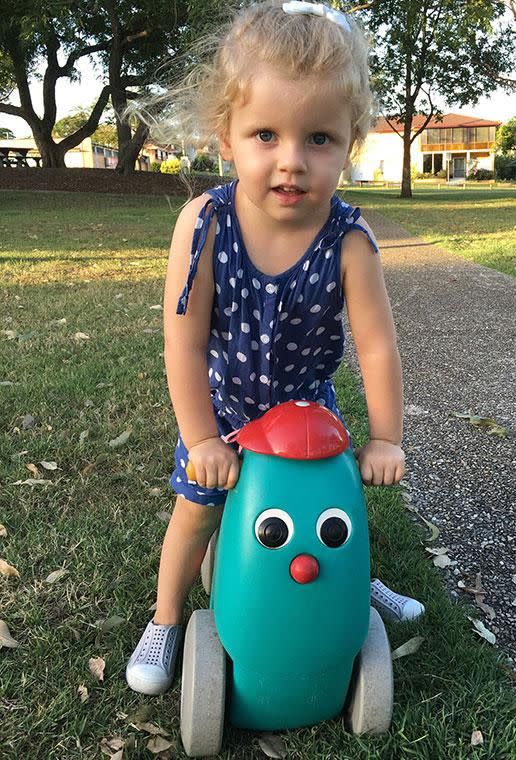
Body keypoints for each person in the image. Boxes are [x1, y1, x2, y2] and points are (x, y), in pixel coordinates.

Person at [126, 0, 423, 697]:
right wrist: (202, 436)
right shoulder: (205, 223)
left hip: (309, 420)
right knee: (199, 509)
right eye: (266, 134)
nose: (292, 161)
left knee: (331, 515)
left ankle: (356, 588)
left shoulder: (349, 240)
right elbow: (184, 339)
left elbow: (377, 348)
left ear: (350, 140)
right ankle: (167, 617)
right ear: (225, 136)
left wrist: (385, 438)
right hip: (225, 409)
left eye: (319, 138)